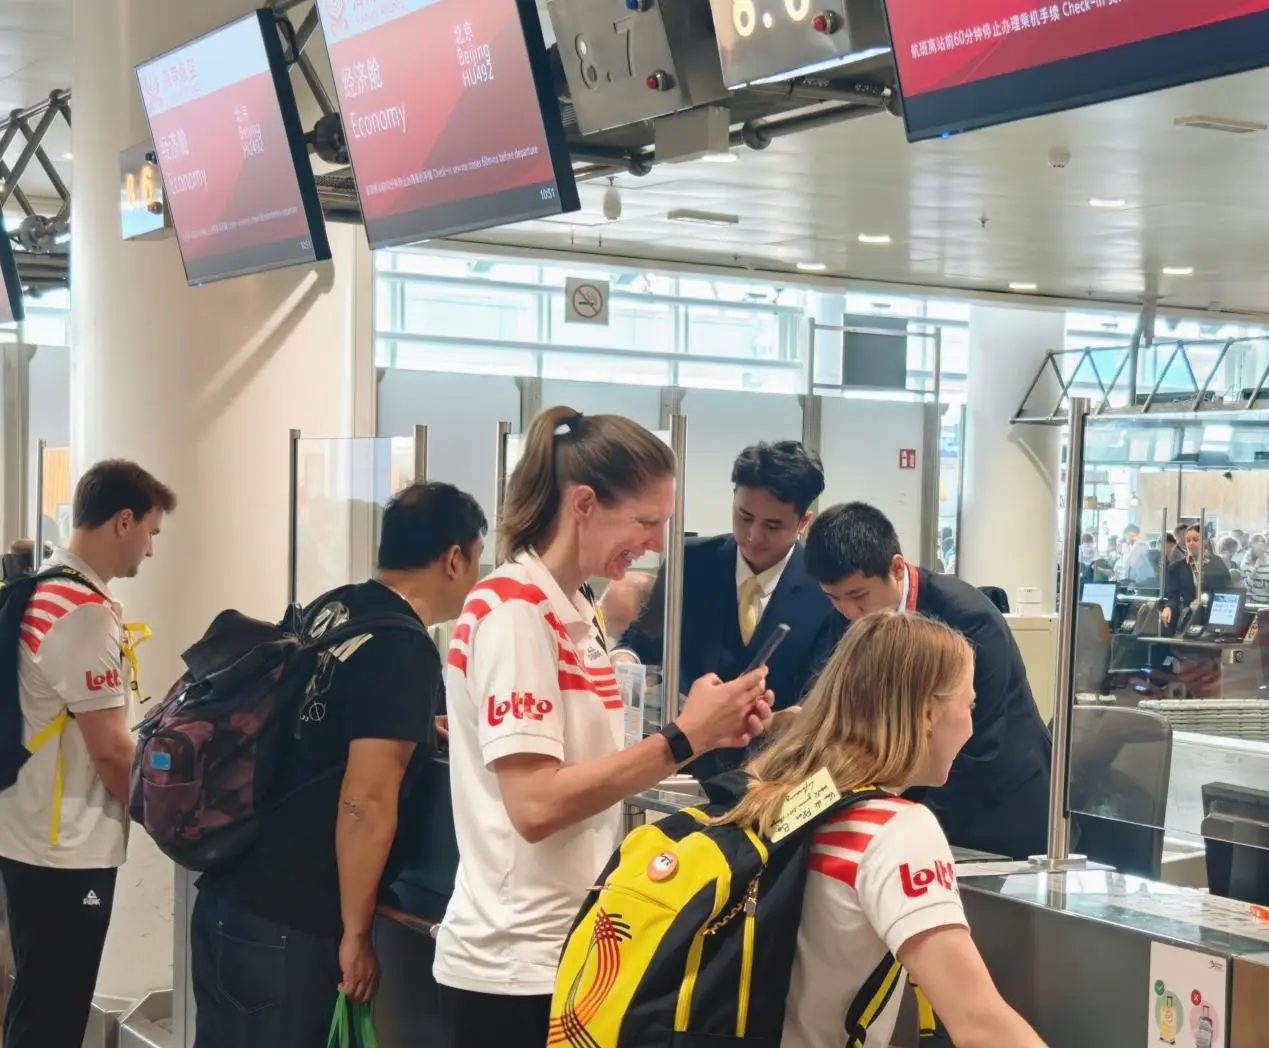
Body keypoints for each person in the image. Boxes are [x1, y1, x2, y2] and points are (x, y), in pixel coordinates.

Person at [434, 406, 774, 1048]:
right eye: (646, 522)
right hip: (513, 963)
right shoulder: (514, 612)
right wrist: (682, 738)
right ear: (584, 502)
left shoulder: (576, 608)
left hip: (572, 945)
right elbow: (535, 805)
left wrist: (707, 727)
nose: (652, 543)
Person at [191, 482, 486, 1048]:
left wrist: (416, 730)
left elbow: (322, 725)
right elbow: (364, 803)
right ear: (455, 558)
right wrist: (356, 934)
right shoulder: (403, 647)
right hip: (291, 924)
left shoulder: (335, 607)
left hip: (233, 896)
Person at [716, 612, 1047, 1048]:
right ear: (929, 712)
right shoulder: (895, 831)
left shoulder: (768, 794)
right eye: (968, 705)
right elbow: (979, 1023)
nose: (970, 725)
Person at [0, 460, 175, 1048]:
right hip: (65, 848)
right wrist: (169, 823)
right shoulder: (81, 614)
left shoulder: (39, 590)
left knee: (38, 996)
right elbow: (110, 752)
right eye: (151, 531)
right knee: (54, 1009)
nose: (150, 550)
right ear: (123, 521)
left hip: (28, 833)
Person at [804, 502, 1053, 859]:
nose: (848, 611)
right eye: (834, 599)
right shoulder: (847, 618)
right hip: (913, 810)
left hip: (1000, 810)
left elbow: (982, 743)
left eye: (858, 596)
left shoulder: (968, 620)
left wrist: (900, 824)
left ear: (896, 568)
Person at [621, 440, 840, 777]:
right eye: (744, 516)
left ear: (804, 521)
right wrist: (622, 664)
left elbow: (825, 693)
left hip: (777, 776)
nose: (752, 536)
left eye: (772, 525)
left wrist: (782, 720)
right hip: (683, 770)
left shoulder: (826, 585)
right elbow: (642, 644)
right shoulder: (689, 562)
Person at [1162, 524, 1233, 632]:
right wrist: (1168, 607)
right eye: (1188, 540)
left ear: (1204, 541)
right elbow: (1173, 595)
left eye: (1195, 540)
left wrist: (1205, 598)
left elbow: (1226, 590)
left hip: (1212, 619)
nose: (1191, 543)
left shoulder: (1217, 563)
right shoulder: (1176, 567)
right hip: (1187, 620)